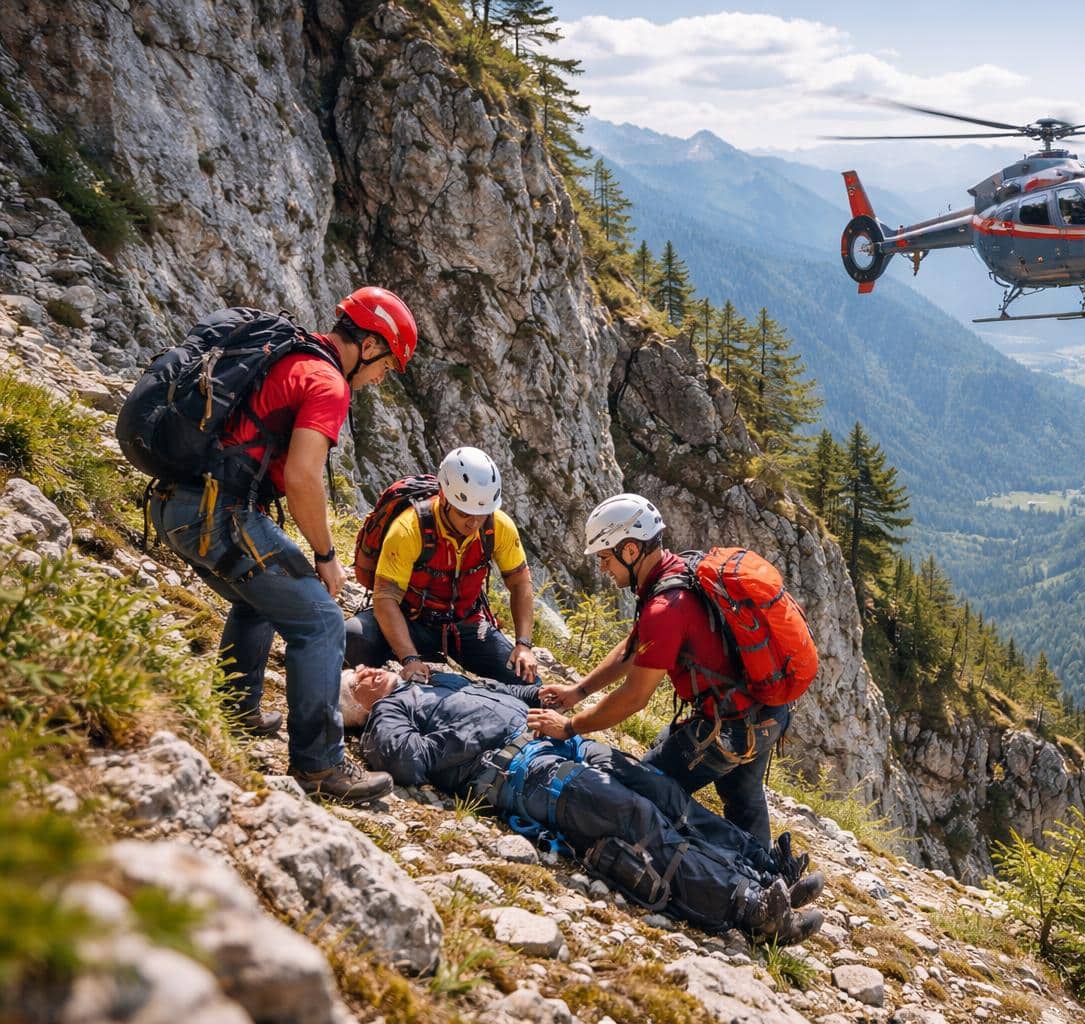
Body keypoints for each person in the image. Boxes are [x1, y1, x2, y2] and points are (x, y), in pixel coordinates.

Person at [148, 287, 418, 804]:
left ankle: (236, 709)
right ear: (371, 345)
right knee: (319, 620)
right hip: (214, 511)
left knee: (263, 596)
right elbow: (302, 479)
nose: (383, 377)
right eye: (388, 365)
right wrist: (325, 555)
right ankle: (320, 766)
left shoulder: (293, 354)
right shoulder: (327, 382)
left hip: (174, 502)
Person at [345, 667, 823, 943]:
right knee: (633, 816)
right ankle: (747, 907)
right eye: (354, 682)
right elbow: (410, 763)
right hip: (524, 772)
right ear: (359, 707)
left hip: (554, 742)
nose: (364, 672)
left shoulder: (429, 678)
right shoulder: (389, 712)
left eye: (359, 667)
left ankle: (763, 867)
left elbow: (496, 692)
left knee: (663, 790)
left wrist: (539, 695)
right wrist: (387, 716)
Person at [531, 494, 790, 848]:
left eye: (606, 558)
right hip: (768, 712)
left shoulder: (664, 608)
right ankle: (773, 873)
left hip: (731, 725)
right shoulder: (677, 572)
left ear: (632, 550)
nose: (603, 568)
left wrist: (570, 726)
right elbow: (632, 647)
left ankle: (737, 869)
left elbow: (634, 697)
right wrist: (578, 692)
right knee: (742, 797)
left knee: (648, 788)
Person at [344, 447, 540, 689]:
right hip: (410, 620)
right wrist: (410, 658)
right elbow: (385, 597)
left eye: (482, 514)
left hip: (465, 624)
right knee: (351, 638)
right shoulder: (409, 528)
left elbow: (520, 583)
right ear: (444, 498)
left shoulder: (498, 526)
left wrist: (523, 645)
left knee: (528, 682)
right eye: (464, 513)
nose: (474, 522)